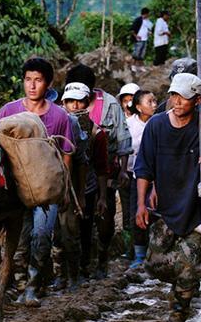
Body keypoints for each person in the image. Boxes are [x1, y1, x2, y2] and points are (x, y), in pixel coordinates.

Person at [134, 73, 201, 322]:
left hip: (195, 209)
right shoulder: (157, 126)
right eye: (173, 95)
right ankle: (187, 279)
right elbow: (143, 167)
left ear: (196, 100)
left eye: (182, 98)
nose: (176, 102)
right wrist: (141, 203)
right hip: (165, 206)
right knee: (153, 263)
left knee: (188, 267)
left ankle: (178, 314)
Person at [0, 57, 74, 306]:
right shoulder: (9, 112)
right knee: (19, 239)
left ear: (48, 84)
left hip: (46, 191)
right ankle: (19, 284)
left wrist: (64, 190)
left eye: (38, 80)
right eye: (28, 79)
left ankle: (33, 285)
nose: (32, 85)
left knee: (42, 236)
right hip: (16, 191)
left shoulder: (60, 116)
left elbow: (66, 155)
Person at [65, 64, 132, 277]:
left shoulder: (110, 105)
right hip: (72, 174)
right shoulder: (63, 108)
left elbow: (122, 138)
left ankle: (102, 257)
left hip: (104, 168)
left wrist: (122, 170)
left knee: (105, 215)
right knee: (77, 221)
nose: (75, 105)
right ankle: (80, 263)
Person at [55, 82, 112, 289]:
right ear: (63, 103)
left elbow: (101, 167)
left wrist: (103, 197)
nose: (75, 106)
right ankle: (61, 273)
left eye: (80, 101)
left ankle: (81, 270)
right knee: (59, 233)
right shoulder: (55, 127)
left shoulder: (97, 133)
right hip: (59, 188)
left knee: (81, 230)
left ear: (88, 104)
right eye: (71, 101)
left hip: (85, 189)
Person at [125, 89, 156, 269]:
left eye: (154, 101)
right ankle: (138, 255)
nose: (153, 105)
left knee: (155, 214)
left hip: (157, 176)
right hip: (135, 175)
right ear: (138, 107)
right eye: (149, 102)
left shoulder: (159, 123)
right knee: (136, 213)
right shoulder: (129, 124)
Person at [117, 82, 140, 255]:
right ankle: (129, 247)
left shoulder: (144, 122)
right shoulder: (120, 122)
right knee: (126, 210)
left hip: (139, 173)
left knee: (136, 209)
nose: (128, 104)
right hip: (124, 171)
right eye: (125, 100)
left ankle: (139, 247)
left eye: (131, 100)